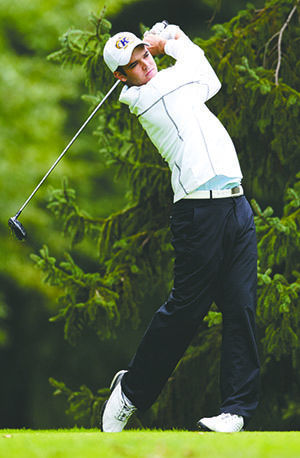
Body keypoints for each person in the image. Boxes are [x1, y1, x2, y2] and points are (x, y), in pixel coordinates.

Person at [100, 22, 260, 433]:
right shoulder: (147, 97)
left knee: (240, 308)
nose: (146, 65)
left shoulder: (173, 84)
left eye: (145, 56)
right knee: (186, 311)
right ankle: (131, 392)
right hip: (197, 214)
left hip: (236, 206)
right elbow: (199, 67)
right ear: (122, 78)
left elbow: (208, 76)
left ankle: (235, 412)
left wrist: (167, 42)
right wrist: (169, 38)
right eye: (135, 65)